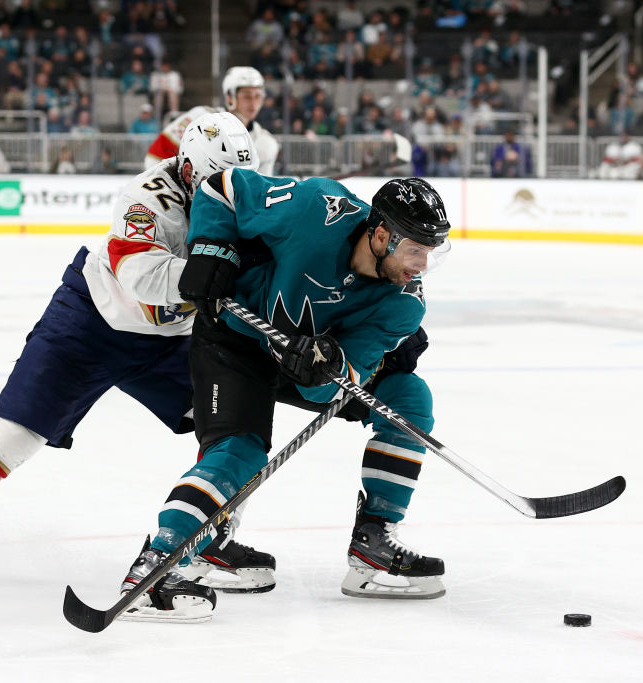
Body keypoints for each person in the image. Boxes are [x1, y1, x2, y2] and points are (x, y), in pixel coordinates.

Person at [0, 112, 273, 594]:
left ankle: (205, 542)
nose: (225, 191)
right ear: (185, 168)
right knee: (12, 434)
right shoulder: (149, 197)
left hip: (171, 344)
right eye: (212, 180)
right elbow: (139, 276)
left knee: (236, 432)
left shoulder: (244, 195)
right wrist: (223, 280)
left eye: (236, 180)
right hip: (89, 324)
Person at [116, 174, 451, 622]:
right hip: (234, 340)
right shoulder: (316, 206)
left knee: (408, 398)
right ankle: (157, 565)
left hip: (300, 362)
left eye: (430, 252)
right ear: (382, 234)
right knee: (241, 452)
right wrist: (211, 250)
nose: (422, 265)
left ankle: (373, 542)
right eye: (416, 249)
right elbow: (221, 186)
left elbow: (339, 384)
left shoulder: (402, 304)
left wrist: (322, 367)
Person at [144, 66, 279, 174]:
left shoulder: (266, 142)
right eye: (247, 96)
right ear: (230, 97)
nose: (253, 103)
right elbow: (155, 156)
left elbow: (259, 193)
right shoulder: (198, 118)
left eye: (258, 96)